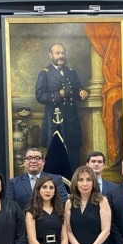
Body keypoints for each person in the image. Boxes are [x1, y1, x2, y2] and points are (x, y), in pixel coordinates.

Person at [36, 43, 90, 171]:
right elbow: (40, 95)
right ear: (50, 55)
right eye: (57, 53)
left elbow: (77, 88)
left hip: (71, 120)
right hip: (54, 121)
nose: (61, 56)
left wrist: (83, 91)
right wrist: (58, 95)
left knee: (73, 155)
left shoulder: (71, 72)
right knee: (55, 155)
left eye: (63, 53)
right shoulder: (45, 73)